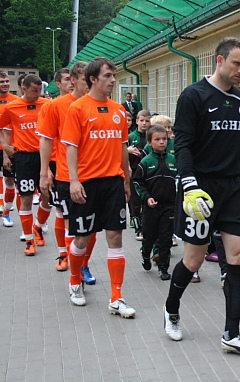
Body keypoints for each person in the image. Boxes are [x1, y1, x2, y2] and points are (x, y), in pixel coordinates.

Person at [163, 37, 240, 358]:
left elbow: (239, 150)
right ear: (218, 60)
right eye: (236, 63)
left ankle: (232, 333)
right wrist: (189, 184)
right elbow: (184, 145)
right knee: (194, 260)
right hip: (200, 189)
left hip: (233, 188)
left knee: (238, 257)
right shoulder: (193, 96)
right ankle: (171, 309)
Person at [61, 57, 135, 319]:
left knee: (115, 237)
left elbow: (123, 147)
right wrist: (73, 180)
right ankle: (74, 281)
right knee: (82, 238)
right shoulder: (78, 108)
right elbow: (70, 146)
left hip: (113, 182)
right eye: (107, 75)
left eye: (114, 75)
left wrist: (126, 179)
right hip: (87, 183)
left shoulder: (118, 111)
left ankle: (117, 296)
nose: (113, 80)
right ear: (93, 79)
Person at [38, 63, 98, 279]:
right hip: (66, 175)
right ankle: (70, 262)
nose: (90, 84)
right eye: (85, 80)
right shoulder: (56, 106)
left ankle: (83, 264)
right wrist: (45, 171)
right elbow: (45, 139)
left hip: (96, 175)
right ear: (73, 80)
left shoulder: (99, 105)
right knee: (71, 224)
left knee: (92, 231)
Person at [0, 74, 50, 255]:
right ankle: (29, 239)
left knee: (48, 197)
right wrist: (6, 147)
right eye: (34, 91)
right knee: (26, 198)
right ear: (24, 88)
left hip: (45, 157)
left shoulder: (46, 104)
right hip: (24, 158)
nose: (38, 94)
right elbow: (2, 127)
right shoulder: (12, 107)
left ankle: (39, 225)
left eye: (40, 90)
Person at [133, 125, 177, 280]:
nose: (162, 142)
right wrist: (147, 197)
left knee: (165, 238)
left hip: (169, 207)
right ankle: (145, 254)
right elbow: (138, 183)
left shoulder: (173, 160)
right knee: (149, 237)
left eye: (164, 139)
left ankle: (163, 267)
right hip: (151, 207)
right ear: (150, 142)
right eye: (157, 139)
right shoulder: (146, 162)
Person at [128, 109, 152, 240]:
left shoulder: (152, 136)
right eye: (141, 120)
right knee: (135, 202)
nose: (144, 123)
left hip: (149, 174)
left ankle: (148, 227)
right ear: (136, 121)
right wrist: (128, 151)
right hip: (134, 172)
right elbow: (120, 153)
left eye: (147, 121)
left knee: (146, 201)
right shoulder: (131, 137)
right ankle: (139, 229)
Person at [0, 71, 20, 226]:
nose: (5, 84)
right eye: (2, 82)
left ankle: (6, 212)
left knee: (10, 180)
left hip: (10, 148)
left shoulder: (16, 101)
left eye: (7, 81)